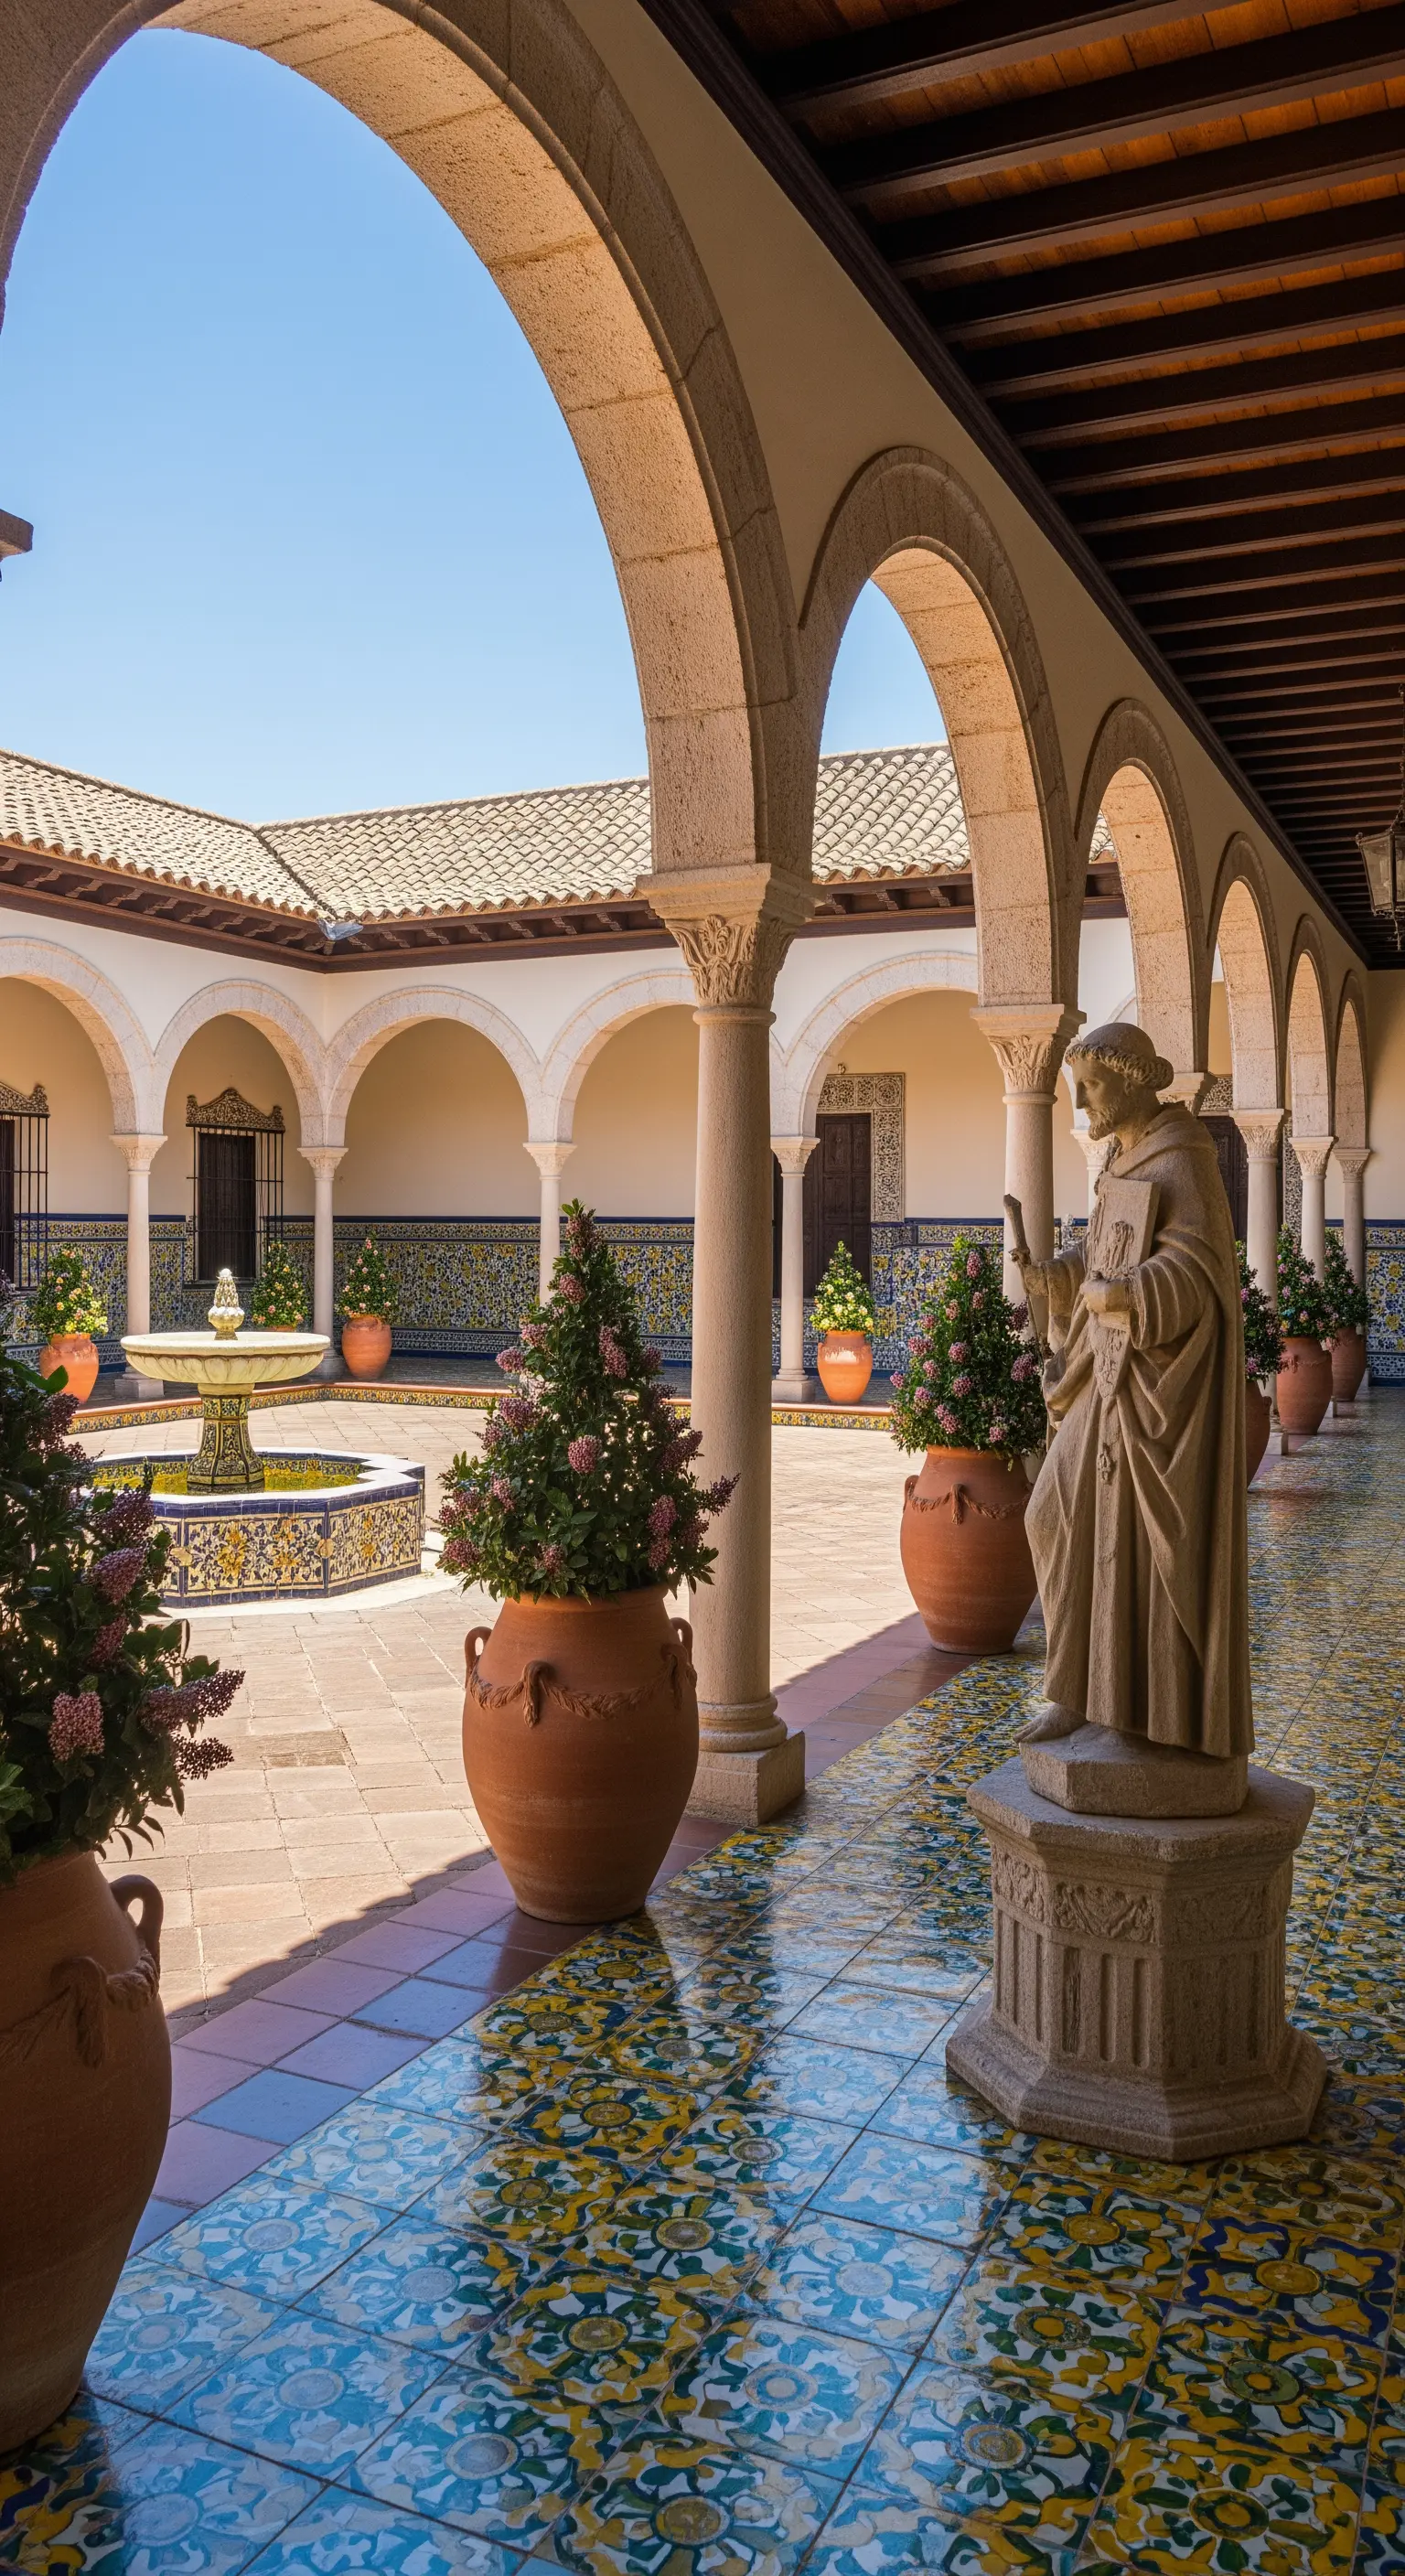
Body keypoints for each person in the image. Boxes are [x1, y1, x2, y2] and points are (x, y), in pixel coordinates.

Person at [1014, 1022, 1252, 1763]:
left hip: (1158, 1393)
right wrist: (1062, 1275)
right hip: (1103, 1375)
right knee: (1053, 1517)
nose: (1081, 1100)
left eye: (1089, 1085)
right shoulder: (1122, 1156)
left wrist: (1128, 1296)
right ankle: (1074, 1691)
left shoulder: (1185, 1158)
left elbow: (1197, 1272)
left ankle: (1139, 1713)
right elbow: (1111, 1244)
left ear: (1133, 1079)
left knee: (1137, 1551)